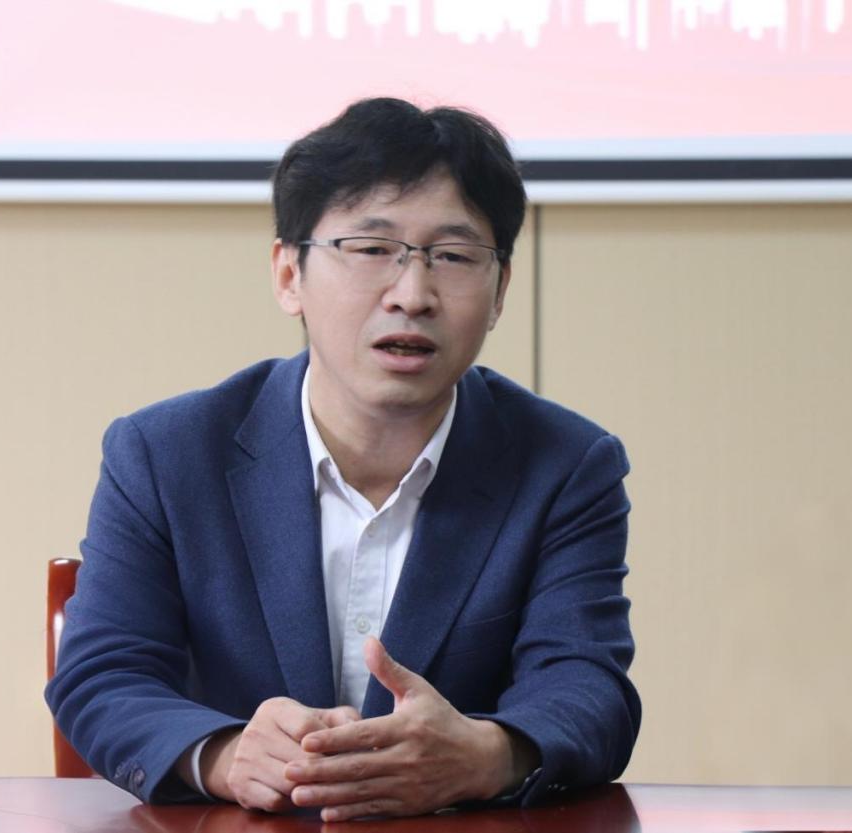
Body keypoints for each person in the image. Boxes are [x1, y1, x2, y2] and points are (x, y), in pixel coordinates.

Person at [45, 97, 640, 821]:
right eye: (371, 249)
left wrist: (485, 754)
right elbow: (102, 676)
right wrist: (227, 755)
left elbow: (587, 688)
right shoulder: (166, 454)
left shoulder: (565, 466)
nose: (412, 295)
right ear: (288, 274)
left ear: (499, 292)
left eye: (453, 257)